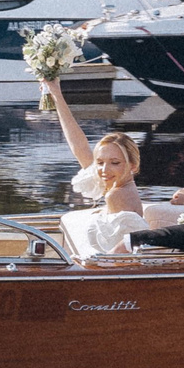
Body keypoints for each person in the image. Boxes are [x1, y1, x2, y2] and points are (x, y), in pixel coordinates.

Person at [48, 98, 169, 258]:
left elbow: (118, 252)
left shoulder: (116, 195)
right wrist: (56, 95)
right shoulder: (119, 186)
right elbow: (80, 147)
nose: (104, 170)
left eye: (115, 162)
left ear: (133, 165)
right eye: (100, 162)